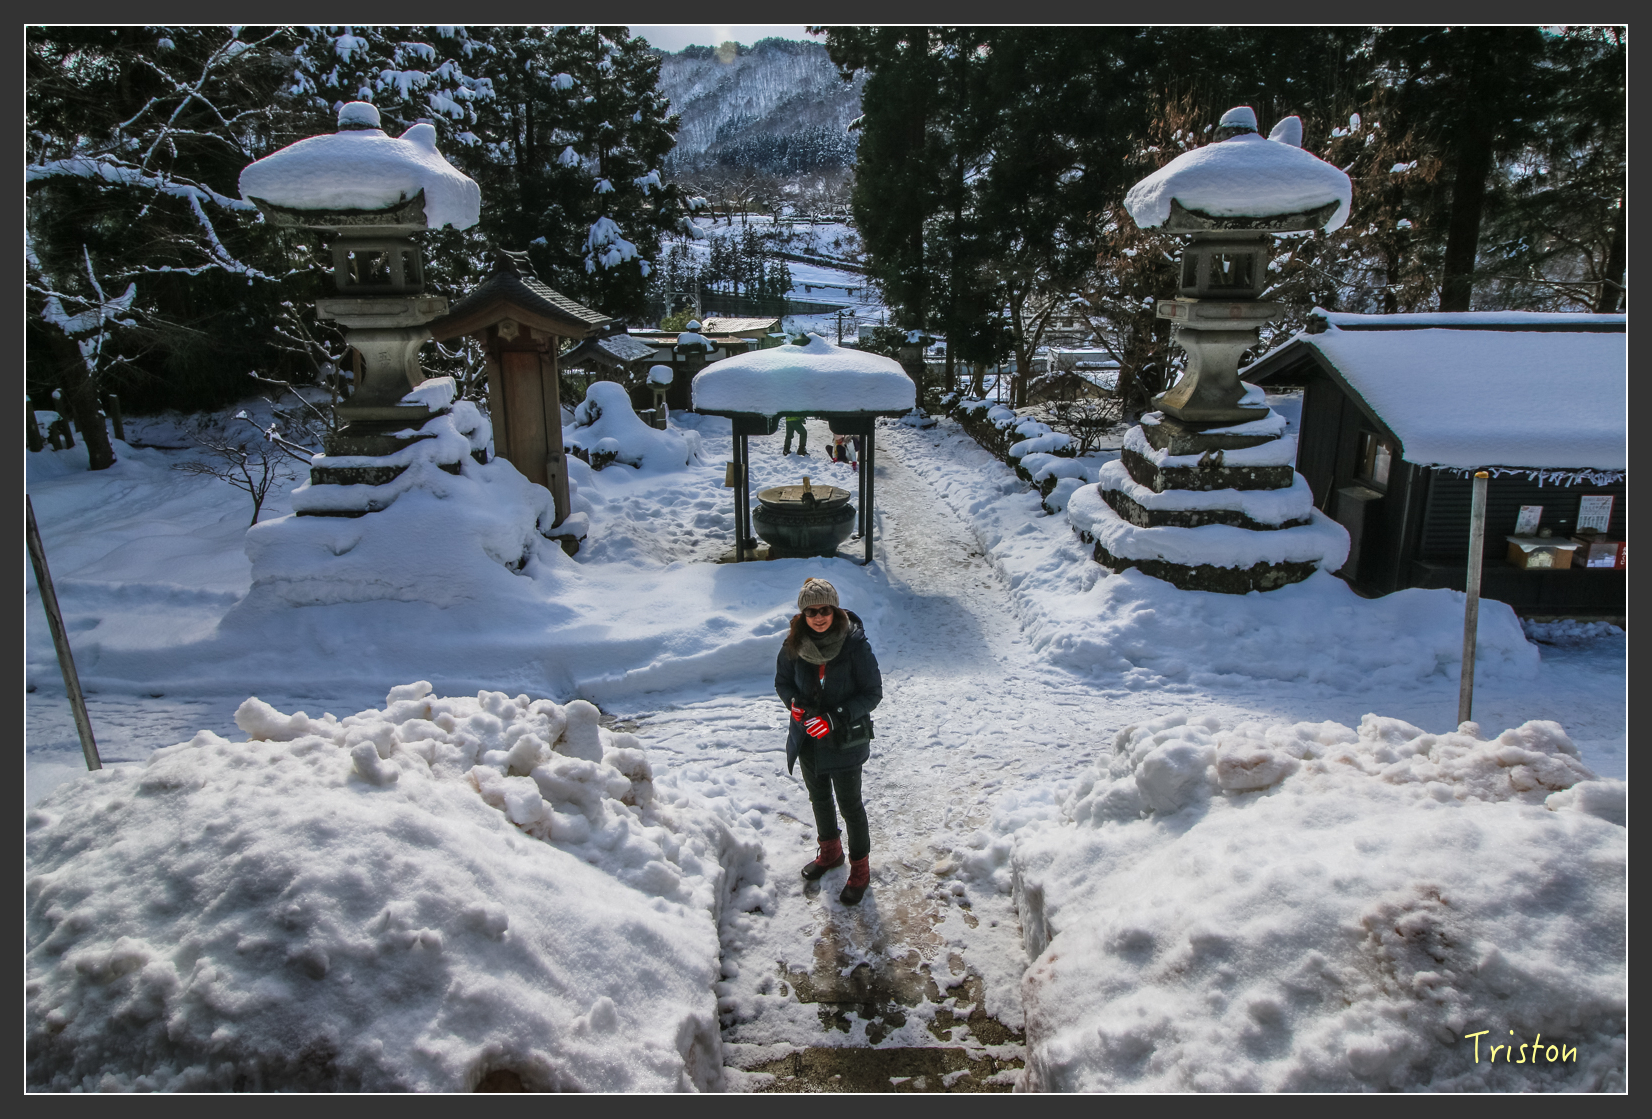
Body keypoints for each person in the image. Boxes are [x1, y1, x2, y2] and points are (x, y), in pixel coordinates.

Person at [774, 578, 882, 905]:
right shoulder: (793, 644)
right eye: (811, 611)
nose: (818, 617)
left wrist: (834, 718)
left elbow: (872, 693)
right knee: (819, 799)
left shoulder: (854, 645)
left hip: (844, 741)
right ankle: (831, 853)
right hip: (808, 738)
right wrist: (794, 704)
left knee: (850, 806)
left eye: (824, 610)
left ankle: (860, 869)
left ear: (834, 611)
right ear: (802, 614)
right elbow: (783, 683)